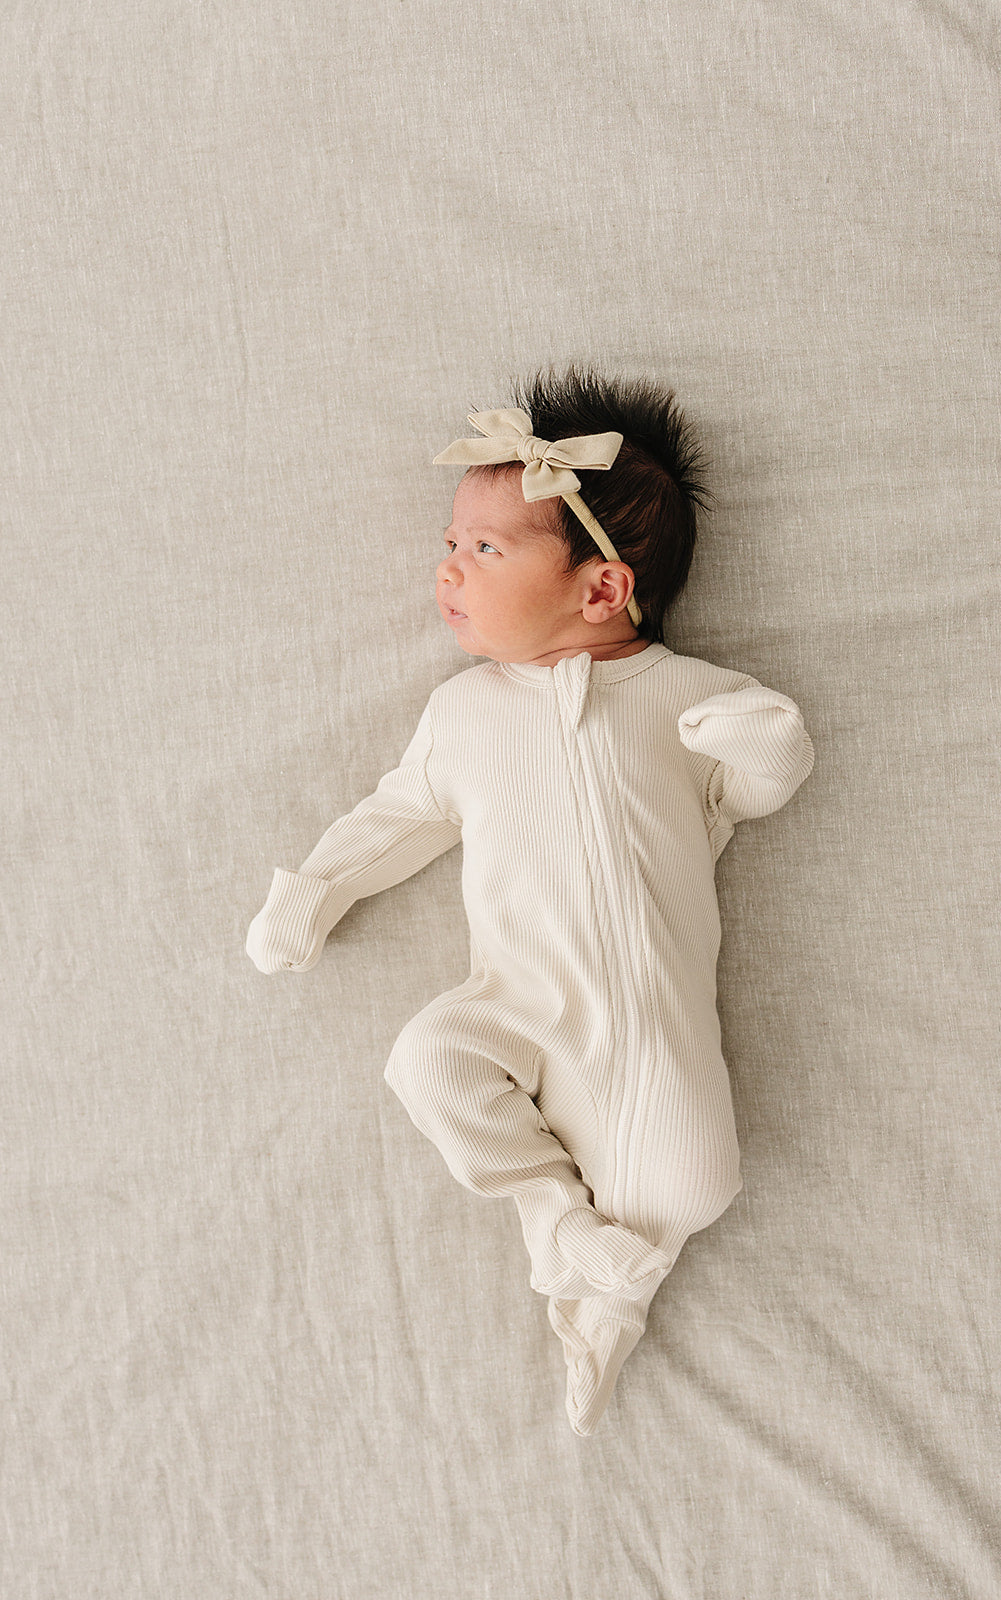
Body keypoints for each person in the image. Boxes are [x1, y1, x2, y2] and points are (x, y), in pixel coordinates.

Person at [246, 366, 815, 1435]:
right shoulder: (463, 712)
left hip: (647, 1021)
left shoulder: (690, 696)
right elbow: (399, 814)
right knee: (426, 1059)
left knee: (691, 1188)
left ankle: (602, 1301)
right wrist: (312, 889)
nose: (446, 569)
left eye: (483, 550)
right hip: (512, 1009)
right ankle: (560, 1228)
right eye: (452, 545)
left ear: (601, 588)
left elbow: (757, 784)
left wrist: (763, 736)